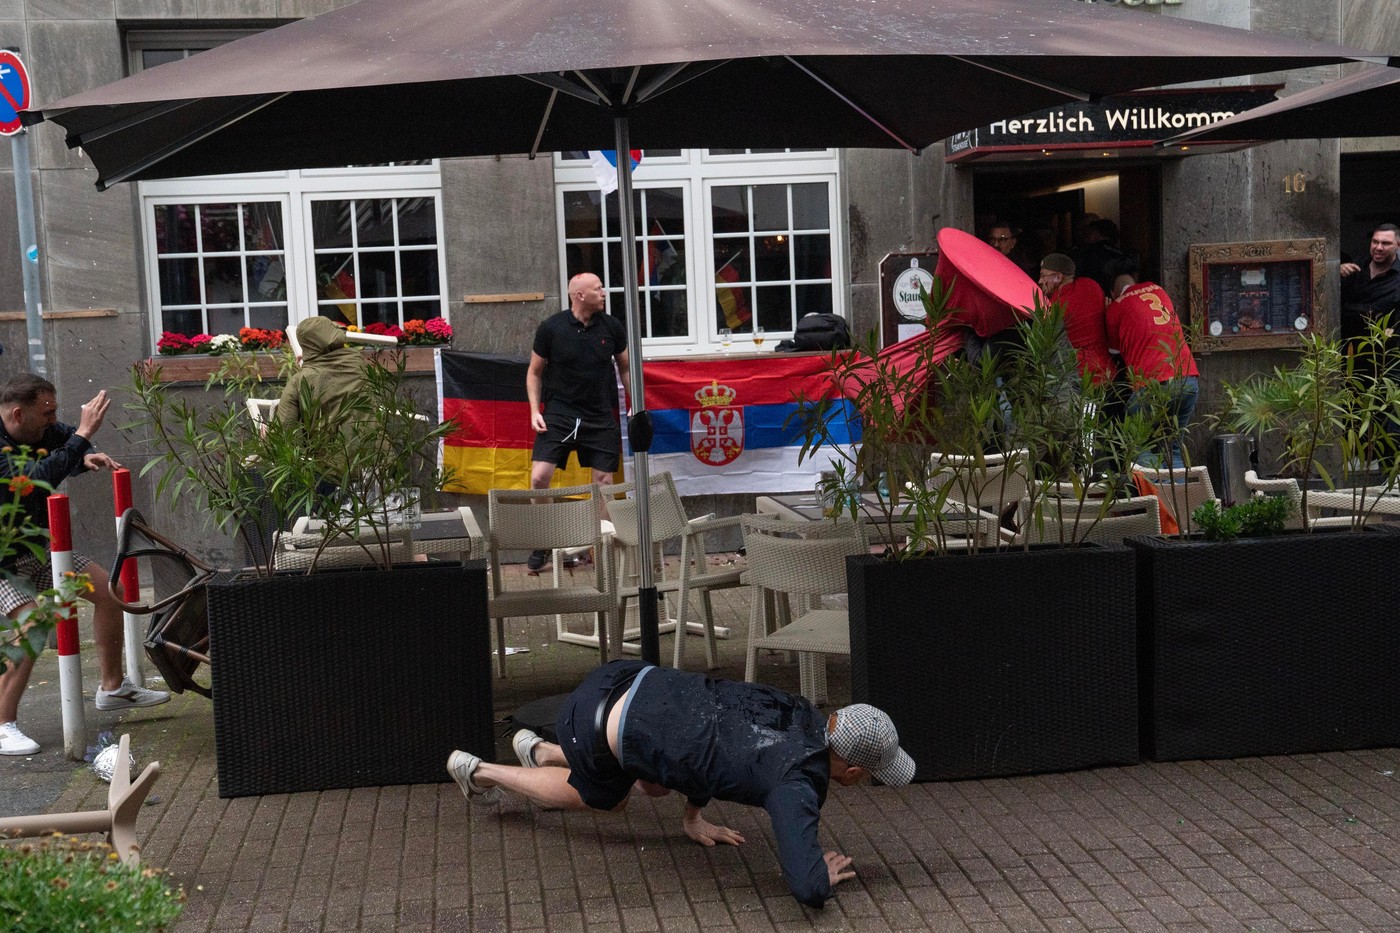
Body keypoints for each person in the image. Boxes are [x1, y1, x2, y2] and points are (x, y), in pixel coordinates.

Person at [445, 660, 915, 908]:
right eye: (873, 772)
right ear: (853, 771)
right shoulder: (797, 784)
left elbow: (719, 738)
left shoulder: (793, 706)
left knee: (656, 783)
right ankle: (481, 771)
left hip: (624, 677)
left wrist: (694, 816)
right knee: (612, 800)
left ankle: (542, 751)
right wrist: (820, 877)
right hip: (597, 723)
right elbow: (808, 890)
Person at [0, 375, 168, 756]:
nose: (53, 418)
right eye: (47, 412)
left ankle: (112, 688)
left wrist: (84, 453)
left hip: (40, 549)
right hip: (2, 560)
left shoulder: (38, 428)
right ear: (17, 413)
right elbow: (30, 481)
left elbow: (64, 441)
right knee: (30, 626)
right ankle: (2, 723)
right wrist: (83, 433)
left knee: (111, 592)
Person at [525, 272, 632, 571]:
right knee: (539, 478)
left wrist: (635, 401)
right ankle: (545, 540)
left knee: (604, 482)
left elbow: (625, 368)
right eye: (598, 289)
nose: (604, 293)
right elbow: (534, 372)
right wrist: (535, 410)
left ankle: (599, 546)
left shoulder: (611, 327)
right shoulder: (552, 328)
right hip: (559, 414)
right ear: (580, 295)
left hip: (599, 416)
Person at [1105, 277, 1200, 470]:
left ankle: (1156, 499)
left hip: (1151, 384)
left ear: (1113, 293)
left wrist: (1109, 310)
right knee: (1172, 448)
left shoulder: (1116, 307)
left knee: (1140, 446)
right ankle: (1178, 498)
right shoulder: (1158, 289)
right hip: (1187, 378)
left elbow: (1114, 353)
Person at [1038, 253, 1114, 385]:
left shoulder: (1055, 305)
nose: (1040, 281)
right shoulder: (1091, 286)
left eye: (1044, 276)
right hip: (1106, 371)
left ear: (1058, 277)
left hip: (1080, 378)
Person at [1338, 223, 1400, 345]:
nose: (1379, 247)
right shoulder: (1356, 266)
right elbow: (1331, 300)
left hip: (1379, 351)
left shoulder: (1397, 279)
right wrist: (1336, 274)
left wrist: (1343, 309)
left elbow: (1374, 311)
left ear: (1398, 245)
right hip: (1344, 345)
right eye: (1375, 242)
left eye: (1386, 243)